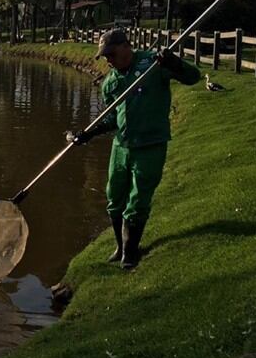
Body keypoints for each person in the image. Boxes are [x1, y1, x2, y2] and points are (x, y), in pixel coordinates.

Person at [69, 29, 200, 269]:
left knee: (138, 199)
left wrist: (174, 62)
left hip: (150, 144)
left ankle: (130, 254)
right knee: (114, 197)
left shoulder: (154, 64)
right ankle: (120, 246)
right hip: (121, 146)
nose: (108, 59)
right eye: (104, 55)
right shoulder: (110, 83)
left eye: (111, 53)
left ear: (126, 46)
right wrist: (88, 133)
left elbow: (194, 77)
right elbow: (111, 119)